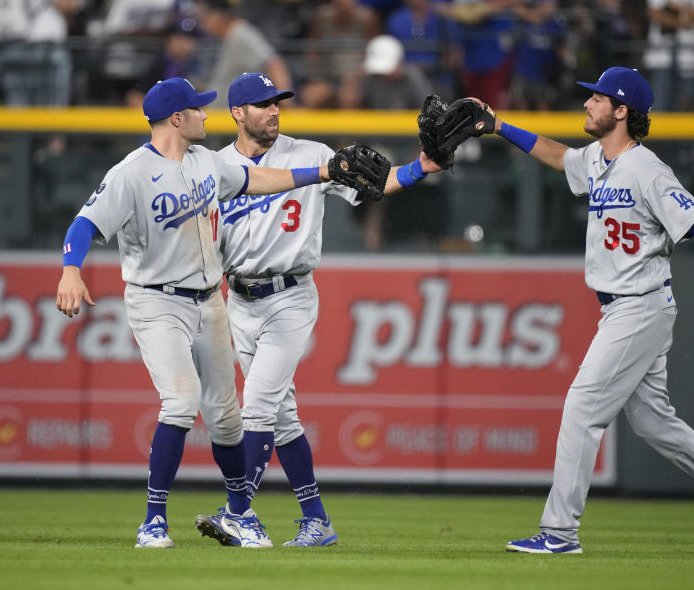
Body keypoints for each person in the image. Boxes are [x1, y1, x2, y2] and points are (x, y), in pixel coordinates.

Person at [454, 67, 694, 555]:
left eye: (597, 99)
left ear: (621, 111)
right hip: (623, 309)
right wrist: (499, 127)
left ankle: (559, 532)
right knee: (654, 423)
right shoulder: (599, 161)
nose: (587, 104)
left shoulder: (647, 169)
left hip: (639, 308)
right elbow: (558, 155)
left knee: (582, 409)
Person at [54, 77, 342, 549]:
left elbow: (258, 181)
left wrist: (322, 173)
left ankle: (242, 516)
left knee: (227, 418)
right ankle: (154, 522)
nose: (208, 115)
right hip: (156, 298)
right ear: (176, 118)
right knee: (181, 402)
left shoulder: (204, 161)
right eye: (198, 109)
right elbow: (84, 223)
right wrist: (70, 270)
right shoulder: (131, 172)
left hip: (210, 299)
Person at [192, 72, 441, 548]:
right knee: (282, 416)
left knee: (259, 406)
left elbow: (374, 184)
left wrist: (421, 167)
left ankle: (240, 513)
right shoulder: (217, 167)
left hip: (290, 297)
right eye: (263, 104)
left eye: (277, 102)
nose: (274, 110)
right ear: (238, 113)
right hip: (238, 300)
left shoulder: (310, 154)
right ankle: (317, 521)